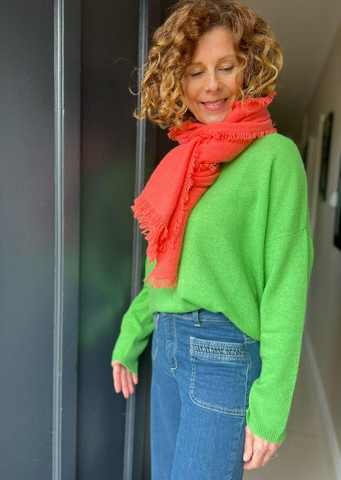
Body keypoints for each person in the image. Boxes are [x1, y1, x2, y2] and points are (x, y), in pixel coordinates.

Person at [111, 0, 313, 478]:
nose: (212, 85)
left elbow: (286, 284)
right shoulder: (181, 163)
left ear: (249, 66)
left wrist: (271, 409)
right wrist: (129, 337)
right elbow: (163, 275)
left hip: (223, 354)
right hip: (167, 346)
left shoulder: (274, 157)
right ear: (179, 80)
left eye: (226, 66)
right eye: (196, 71)